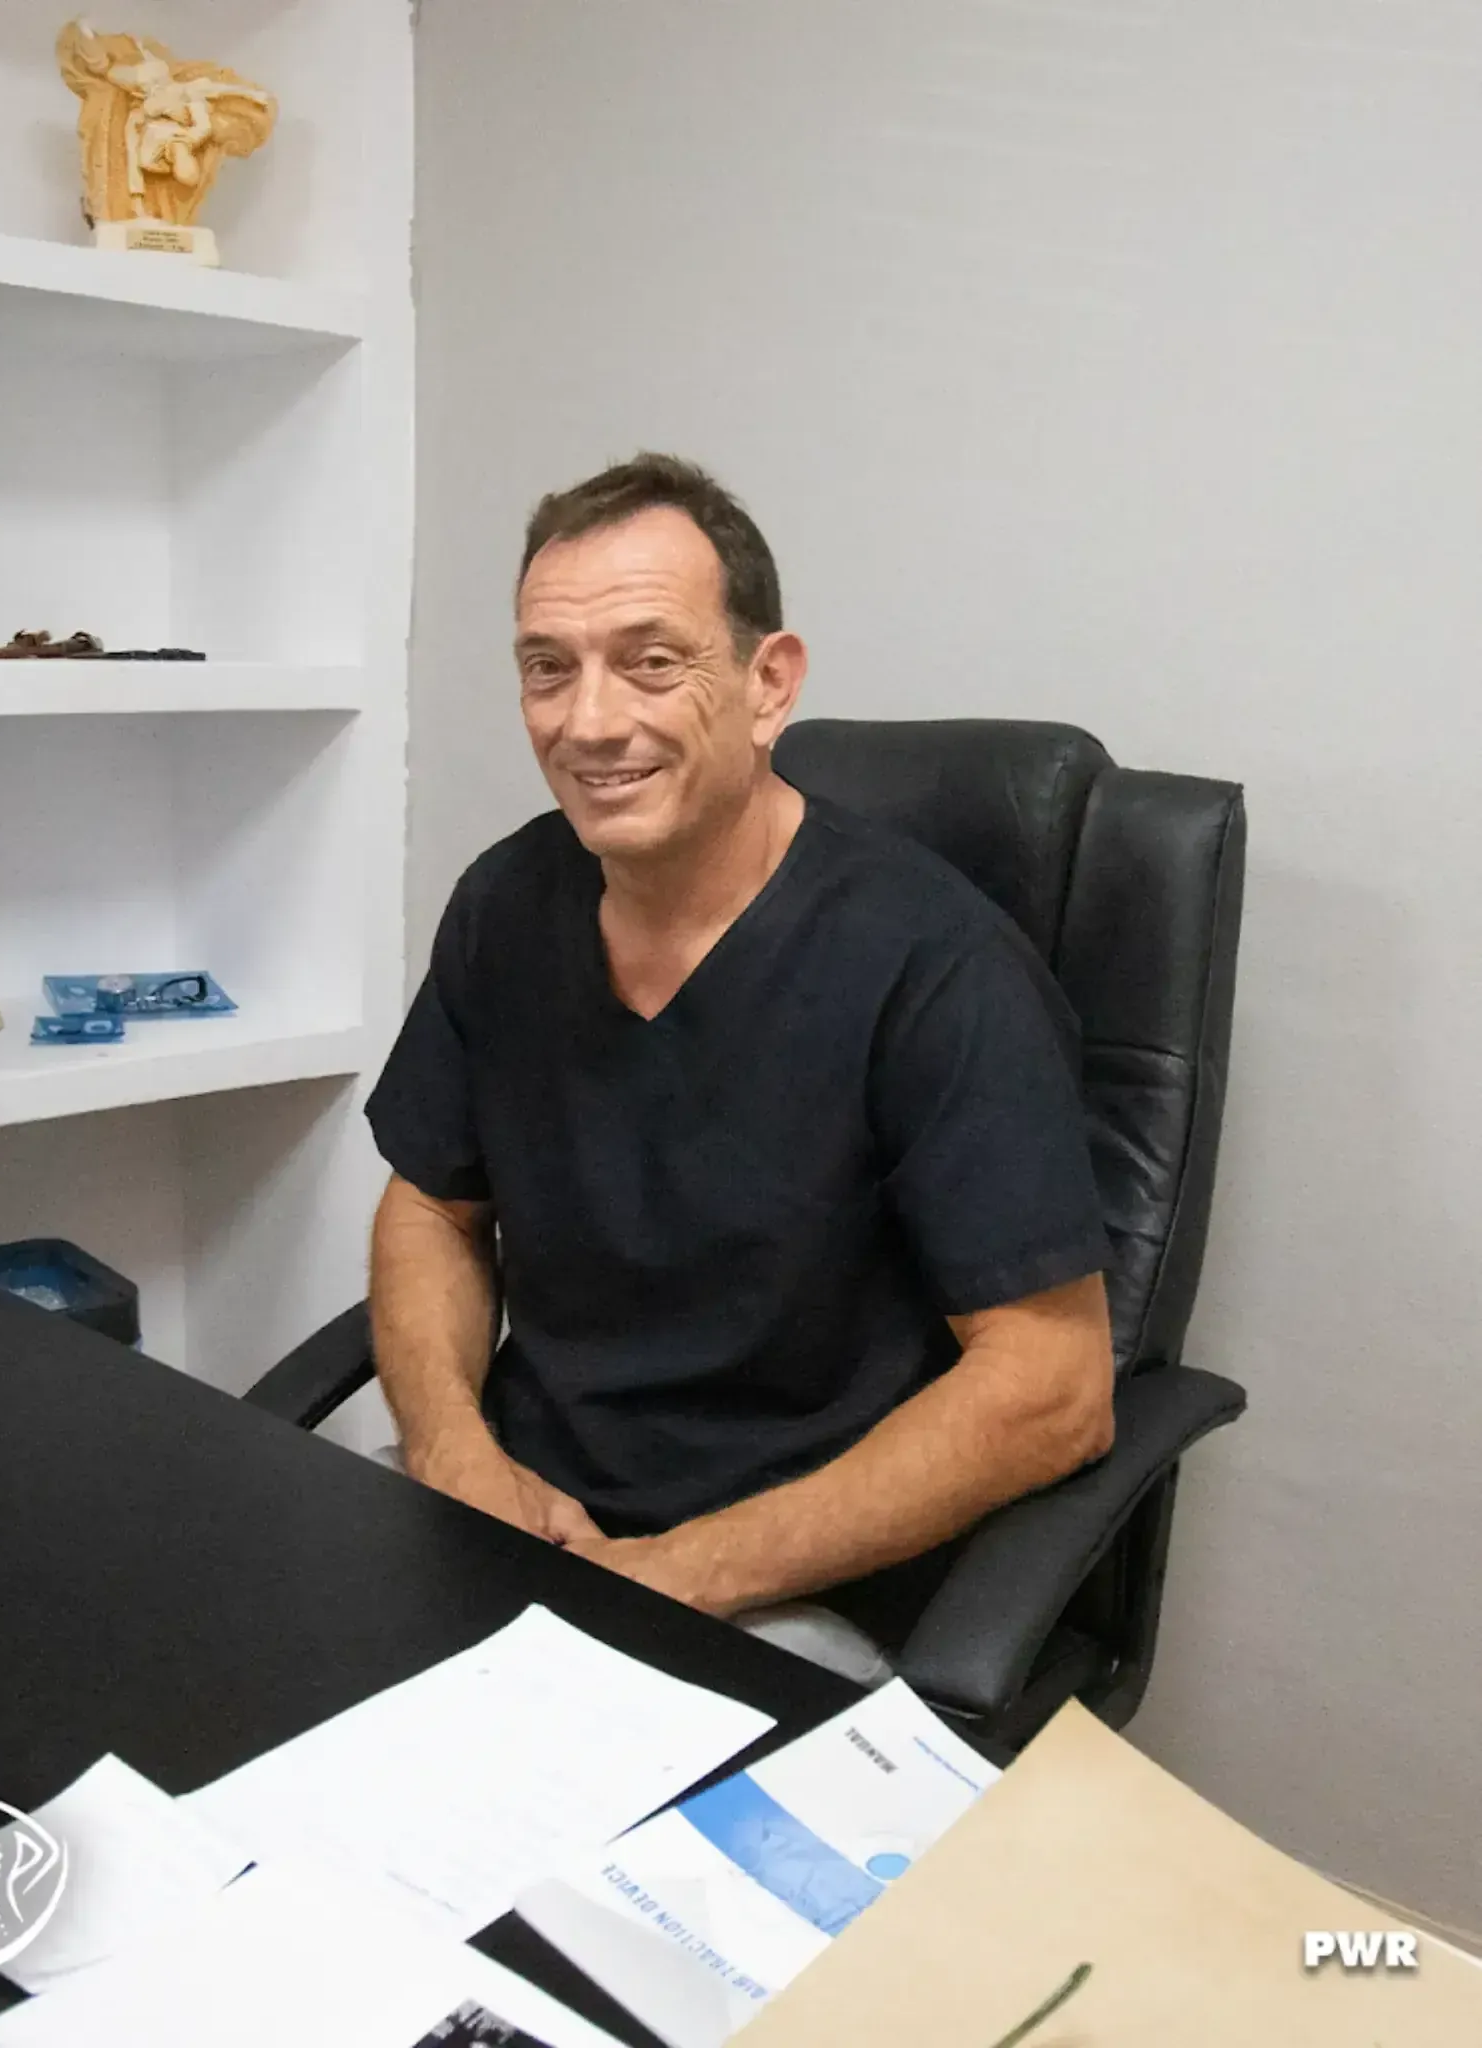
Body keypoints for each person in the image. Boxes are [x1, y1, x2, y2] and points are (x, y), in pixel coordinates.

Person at [366, 453, 1114, 1684]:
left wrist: (674, 1574)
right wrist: (453, 1453)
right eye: (548, 667)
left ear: (770, 684)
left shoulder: (935, 964)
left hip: (787, 1580)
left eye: (652, 661)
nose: (588, 720)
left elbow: (1055, 1385)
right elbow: (431, 1207)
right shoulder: (506, 903)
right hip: (518, 1520)